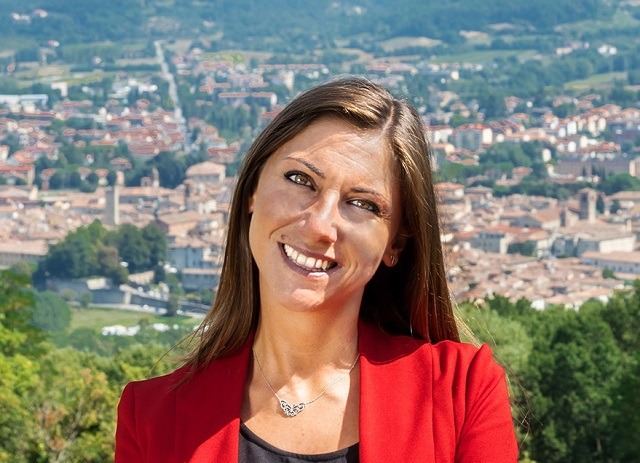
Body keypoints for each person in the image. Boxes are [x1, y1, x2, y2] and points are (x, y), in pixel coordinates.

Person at [115, 77, 518, 462]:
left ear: (395, 242)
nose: (319, 226)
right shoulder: (150, 417)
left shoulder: (461, 392)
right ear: (253, 188)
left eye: (362, 204)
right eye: (300, 179)